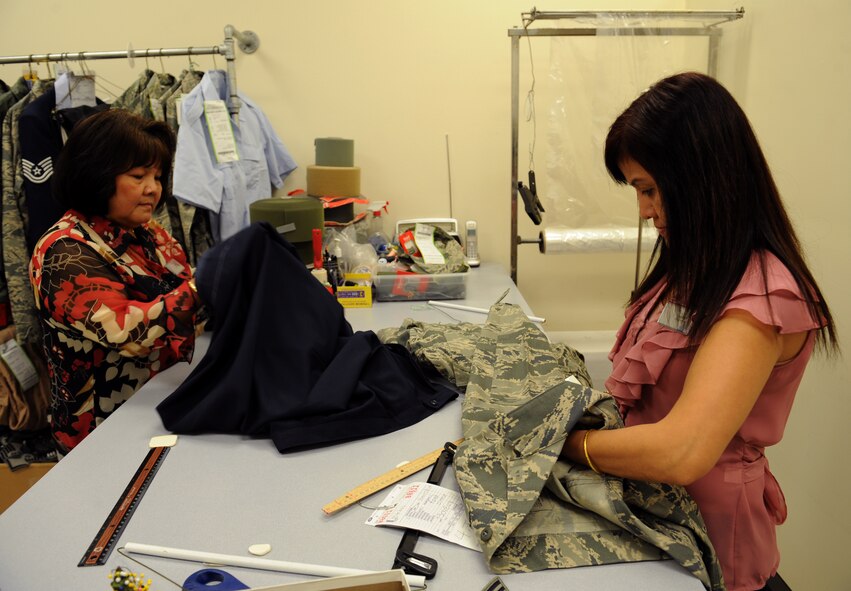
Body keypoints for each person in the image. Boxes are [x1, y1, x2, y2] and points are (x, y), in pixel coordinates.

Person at [560, 72, 838, 591]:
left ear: (702, 178)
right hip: (655, 523)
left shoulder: (760, 300)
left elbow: (681, 452)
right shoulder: (691, 272)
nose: (644, 211)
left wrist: (567, 445)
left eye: (649, 189)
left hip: (710, 550)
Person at [29, 109, 203, 454]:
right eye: (138, 175)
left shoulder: (146, 234)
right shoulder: (65, 252)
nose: (152, 189)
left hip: (155, 409)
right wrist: (210, 284)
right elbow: (126, 332)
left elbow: (185, 291)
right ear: (96, 175)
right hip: (99, 436)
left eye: (157, 175)